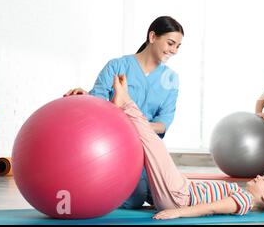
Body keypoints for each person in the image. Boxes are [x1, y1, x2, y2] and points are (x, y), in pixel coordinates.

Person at [111, 74, 264, 219]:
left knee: (153, 144)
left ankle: (126, 103)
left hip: (180, 197)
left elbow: (211, 208)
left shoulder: (245, 201)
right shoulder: (243, 195)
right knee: (150, 152)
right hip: (179, 192)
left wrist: (177, 213)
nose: (260, 176)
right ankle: (123, 108)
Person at [64, 16, 184, 209]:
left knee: (172, 196)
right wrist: (83, 97)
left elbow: (163, 123)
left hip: (148, 153)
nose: (174, 51)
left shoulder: (171, 79)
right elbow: (98, 104)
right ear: (153, 37)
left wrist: (135, 125)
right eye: (171, 43)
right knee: (134, 198)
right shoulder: (117, 66)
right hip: (117, 149)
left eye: (178, 46)